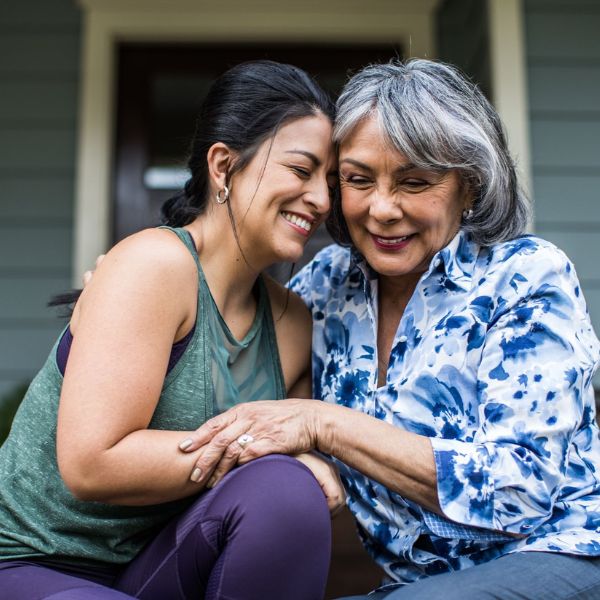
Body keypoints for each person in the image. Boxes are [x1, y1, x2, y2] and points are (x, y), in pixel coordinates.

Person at [178, 59, 600, 599]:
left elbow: (515, 492)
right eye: (357, 180)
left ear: (468, 187)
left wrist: (323, 425)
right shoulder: (324, 287)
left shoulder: (524, 276)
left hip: (555, 557)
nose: (381, 209)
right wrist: (150, 288)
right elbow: (235, 382)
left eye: (414, 182)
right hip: (411, 588)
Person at [0, 60, 344, 600]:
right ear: (224, 165)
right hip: (34, 562)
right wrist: (260, 446)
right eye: (301, 171)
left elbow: (294, 473)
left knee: (286, 490)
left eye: (329, 180)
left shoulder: (294, 323)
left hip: (157, 567)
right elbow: (92, 464)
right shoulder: (154, 266)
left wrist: (299, 458)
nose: (322, 200)